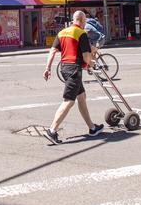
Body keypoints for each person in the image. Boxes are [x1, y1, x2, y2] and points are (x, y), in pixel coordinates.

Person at [42, 11, 104, 144]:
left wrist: (48, 68)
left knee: (81, 97)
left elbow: (52, 51)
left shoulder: (62, 32)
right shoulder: (81, 33)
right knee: (69, 101)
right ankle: (52, 131)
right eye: (85, 21)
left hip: (64, 68)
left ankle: (92, 128)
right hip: (74, 70)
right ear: (82, 21)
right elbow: (87, 57)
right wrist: (92, 63)